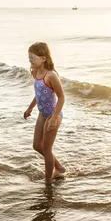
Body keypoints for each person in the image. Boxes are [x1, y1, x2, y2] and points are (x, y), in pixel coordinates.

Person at [23, 42, 66, 182]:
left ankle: (48, 181)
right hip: (42, 114)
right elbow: (39, 94)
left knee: (47, 149)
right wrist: (30, 107)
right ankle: (59, 167)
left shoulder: (51, 75)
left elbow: (61, 97)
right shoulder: (35, 73)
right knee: (37, 146)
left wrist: (54, 118)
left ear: (43, 58)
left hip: (54, 114)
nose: (30, 61)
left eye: (32, 58)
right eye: (29, 58)